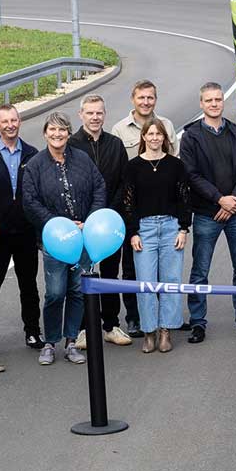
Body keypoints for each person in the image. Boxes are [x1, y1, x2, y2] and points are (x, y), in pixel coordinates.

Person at [22, 112, 102, 366]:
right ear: (45, 133)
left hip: (82, 238)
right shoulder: (35, 165)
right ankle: (50, 342)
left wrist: (88, 221)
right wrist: (58, 225)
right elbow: (30, 201)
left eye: (62, 130)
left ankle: (70, 341)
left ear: (69, 133)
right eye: (52, 130)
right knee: (55, 293)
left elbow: (99, 188)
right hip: (54, 240)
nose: (57, 135)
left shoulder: (82, 159)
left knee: (77, 290)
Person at [181, 82, 236, 341]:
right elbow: (191, 174)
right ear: (201, 104)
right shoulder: (191, 136)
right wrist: (219, 200)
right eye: (209, 100)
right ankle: (198, 322)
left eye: (218, 100)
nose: (214, 104)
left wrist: (233, 200)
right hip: (206, 213)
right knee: (200, 271)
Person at [111, 79, 178, 339]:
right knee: (132, 268)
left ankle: (165, 321)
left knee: (165, 269)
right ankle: (135, 317)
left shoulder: (167, 126)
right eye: (141, 97)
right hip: (134, 210)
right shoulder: (119, 129)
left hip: (163, 207)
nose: (146, 102)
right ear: (133, 99)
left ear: (155, 100)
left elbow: (175, 163)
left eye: (150, 97)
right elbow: (119, 171)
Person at [121, 118, 190, 354]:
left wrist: (183, 229)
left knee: (171, 282)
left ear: (165, 138)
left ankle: (165, 331)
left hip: (171, 227)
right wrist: (133, 233)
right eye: (149, 134)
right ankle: (148, 331)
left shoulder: (175, 165)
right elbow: (127, 203)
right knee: (146, 283)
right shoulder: (133, 167)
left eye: (158, 134)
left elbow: (184, 199)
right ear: (143, 137)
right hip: (145, 230)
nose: (154, 138)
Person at [71, 94, 134, 347]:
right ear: (81, 115)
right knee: (82, 275)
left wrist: (108, 212)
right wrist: (85, 218)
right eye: (90, 113)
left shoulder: (115, 144)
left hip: (109, 223)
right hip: (81, 223)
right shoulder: (72, 144)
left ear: (104, 115)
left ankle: (111, 325)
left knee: (109, 274)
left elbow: (123, 181)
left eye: (99, 113)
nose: (95, 117)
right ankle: (84, 328)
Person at [0, 104, 41, 354]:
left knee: (28, 285)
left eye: (14, 120)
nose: (10, 125)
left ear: (20, 122)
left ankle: (32, 332)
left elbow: (39, 193)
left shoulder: (32, 154)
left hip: (26, 232)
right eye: (5, 121)